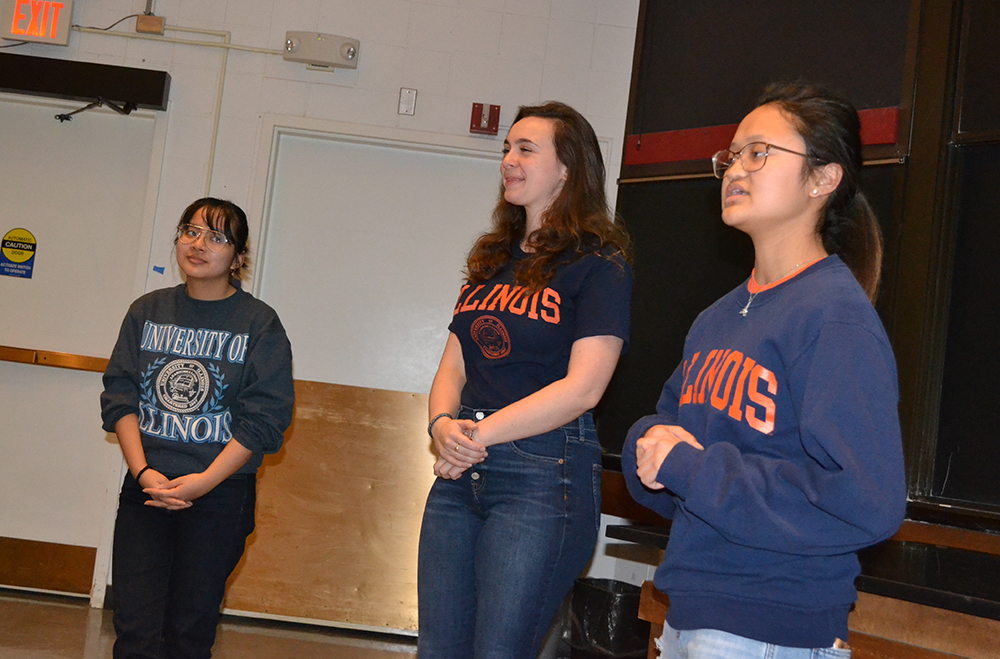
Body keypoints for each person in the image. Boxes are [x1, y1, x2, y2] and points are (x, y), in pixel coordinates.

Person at [622, 83, 906, 659]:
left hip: (769, 629)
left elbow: (866, 500)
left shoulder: (834, 317)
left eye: (758, 152)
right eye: (729, 155)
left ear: (824, 178)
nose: (734, 169)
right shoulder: (716, 318)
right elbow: (669, 431)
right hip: (690, 609)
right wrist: (645, 446)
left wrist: (694, 469)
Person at [417, 102, 633, 658]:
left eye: (525, 149)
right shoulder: (491, 260)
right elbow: (454, 365)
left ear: (568, 169)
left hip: (542, 474)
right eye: (506, 150)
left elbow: (584, 389)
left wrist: (473, 437)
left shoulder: (600, 263)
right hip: (460, 473)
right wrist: (442, 425)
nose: (508, 161)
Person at [101, 198, 294, 659]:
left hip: (220, 495)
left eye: (216, 236)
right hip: (146, 490)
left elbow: (264, 420)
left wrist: (204, 483)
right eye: (190, 231)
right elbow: (120, 395)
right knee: (135, 630)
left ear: (239, 257)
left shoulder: (258, 323)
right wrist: (143, 471)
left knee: (189, 631)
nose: (199, 244)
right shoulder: (146, 310)